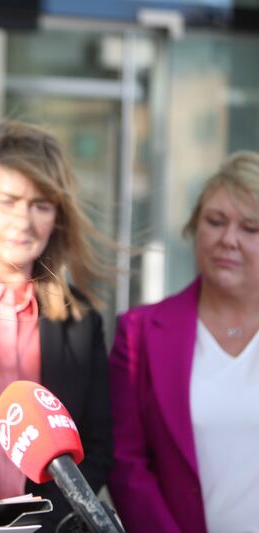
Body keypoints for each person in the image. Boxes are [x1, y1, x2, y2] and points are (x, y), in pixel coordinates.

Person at [0, 121, 113, 531]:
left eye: (41, 204)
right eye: (8, 200)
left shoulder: (80, 321)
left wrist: (46, 523)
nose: (23, 220)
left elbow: (95, 447)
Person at [108, 151, 259, 533]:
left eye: (251, 228)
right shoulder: (138, 333)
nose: (229, 240)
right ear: (195, 228)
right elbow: (126, 464)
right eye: (216, 221)